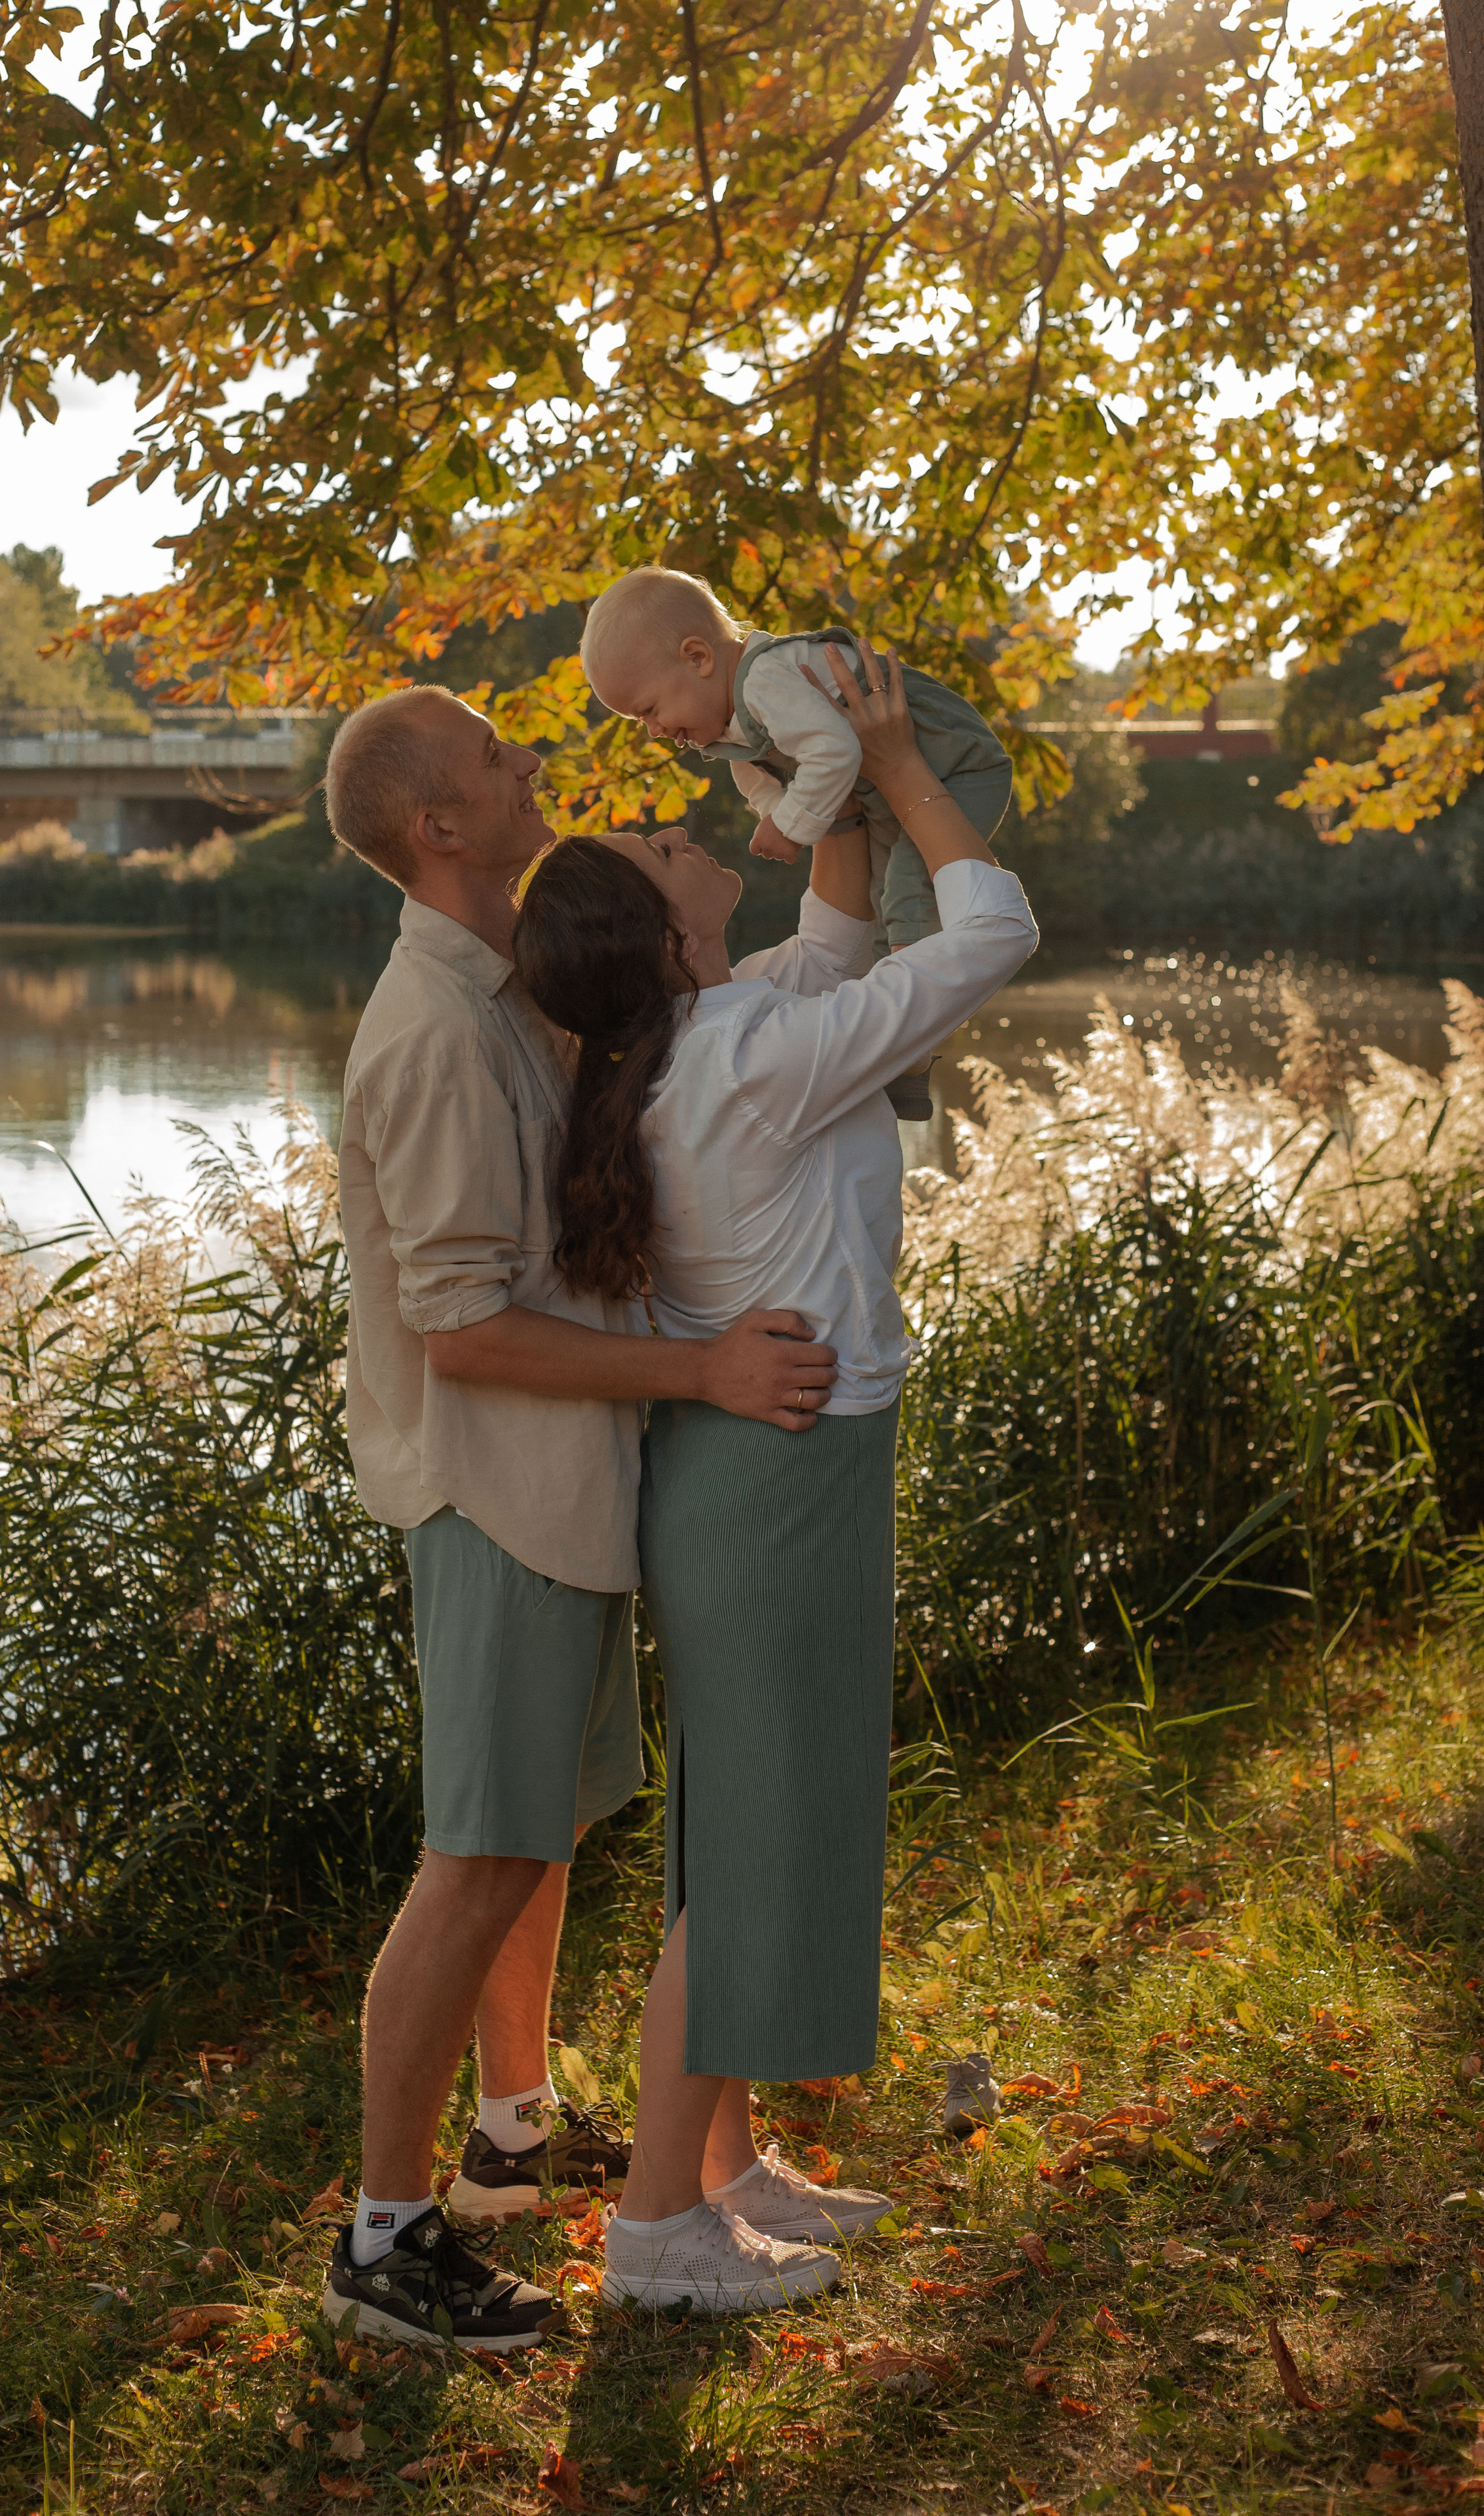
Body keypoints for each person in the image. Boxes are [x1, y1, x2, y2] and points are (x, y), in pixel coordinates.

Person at [512, 638, 1038, 2313]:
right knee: (744, 1859)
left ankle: (722, 2170)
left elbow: (829, 944)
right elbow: (992, 935)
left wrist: (834, 797)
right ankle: (652, 2234)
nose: (680, 828)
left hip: (754, 1469)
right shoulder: (737, 1059)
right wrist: (896, 767)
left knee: (728, 1835)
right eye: (659, 847)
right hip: (776, 1478)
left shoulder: (707, 1032)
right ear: (664, 934)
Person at [315, 683, 841, 2355]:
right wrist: (701, 1371)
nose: (528, 757)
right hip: (491, 1493)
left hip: (550, 1491)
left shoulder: (506, 993)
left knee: (531, 1837)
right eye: (494, 755)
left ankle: (508, 2138)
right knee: (476, 1856)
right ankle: (383, 2240)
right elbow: (463, 1329)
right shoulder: (433, 1031)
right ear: (438, 828)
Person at [579, 568, 1014, 1117]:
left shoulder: (766, 680)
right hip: (894, 785)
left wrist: (791, 824)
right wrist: (776, 810)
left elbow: (834, 752)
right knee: (888, 899)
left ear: (698, 657)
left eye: (648, 709)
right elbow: (757, 777)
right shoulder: (735, 723)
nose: (653, 730)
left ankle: (909, 1045)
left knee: (907, 889)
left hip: (954, 763)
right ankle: (907, 1053)